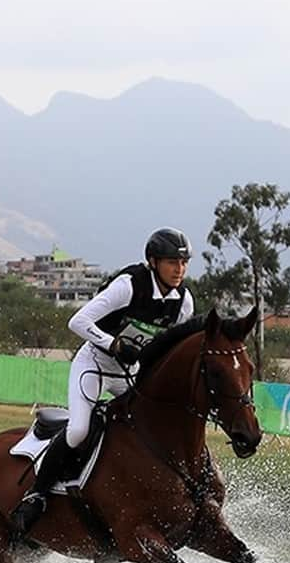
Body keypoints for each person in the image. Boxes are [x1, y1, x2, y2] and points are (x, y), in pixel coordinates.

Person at [11, 227, 195, 535]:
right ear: (153, 261)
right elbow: (77, 321)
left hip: (130, 374)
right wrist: (113, 344)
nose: (179, 270)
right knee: (80, 429)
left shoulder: (183, 301)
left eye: (184, 263)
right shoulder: (128, 285)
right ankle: (38, 494)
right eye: (171, 262)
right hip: (94, 365)